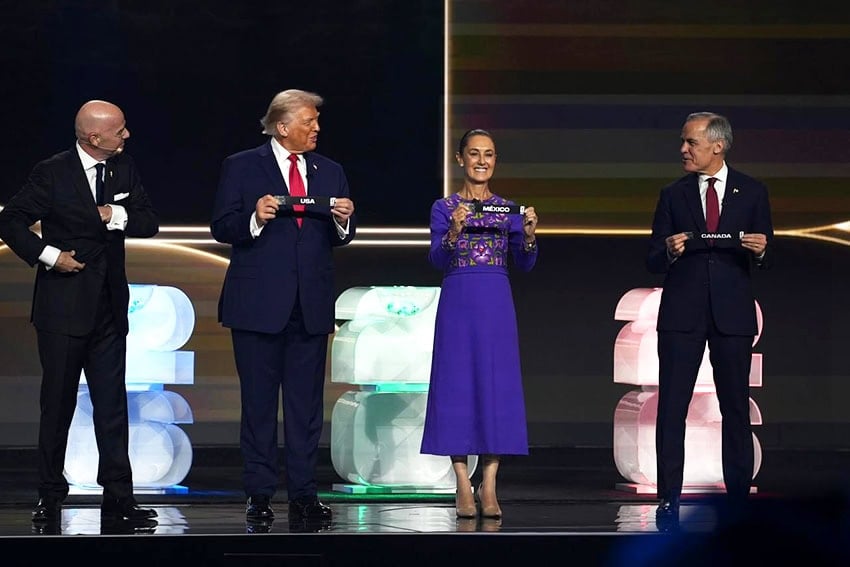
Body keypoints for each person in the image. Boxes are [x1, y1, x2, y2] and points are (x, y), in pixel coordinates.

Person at [0, 100, 159, 527]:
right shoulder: (52, 172)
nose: (127, 136)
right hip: (63, 309)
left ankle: (119, 500)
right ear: (94, 137)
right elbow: (12, 221)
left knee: (113, 408)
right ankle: (50, 498)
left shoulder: (124, 169)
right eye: (119, 130)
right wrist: (50, 255)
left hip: (109, 308)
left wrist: (116, 214)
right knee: (57, 406)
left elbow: (147, 221)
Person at [210, 89, 356, 528]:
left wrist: (343, 219)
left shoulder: (330, 170)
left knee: (306, 409)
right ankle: (258, 494)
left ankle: (304, 495)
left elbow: (338, 236)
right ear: (282, 126)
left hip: (309, 307)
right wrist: (254, 217)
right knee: (257, 407)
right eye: (309, 121)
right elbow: (222, 226)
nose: (316, 128)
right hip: (257, 307)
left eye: (316, 121)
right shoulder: (241, 165)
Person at [646, 112, 774, 524]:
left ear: (717, 146)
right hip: (682, 315)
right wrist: (669, 249)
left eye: (691, 143)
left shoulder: (752, 192)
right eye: (683, 142)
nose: (683, 149)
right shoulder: (673, 194)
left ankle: (738, 501)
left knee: (734, 408)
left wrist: (761, 250)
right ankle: (669, 498)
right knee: (671, 409)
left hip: (732, 316)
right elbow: (651, 258)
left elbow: (766, 255)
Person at [420, 128, 539, 519]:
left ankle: (489, 486)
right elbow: (437, 260)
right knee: (457, 389)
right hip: (458, 303)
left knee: (495, 390)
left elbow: (525, 263)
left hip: (496, 304)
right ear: (460, 159)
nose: (482, 161)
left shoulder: (509, 209)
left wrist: (531, 235)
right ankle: (461, 484)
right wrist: (454, 228)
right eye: (474, 154)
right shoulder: (443, 207)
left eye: (489, 154)